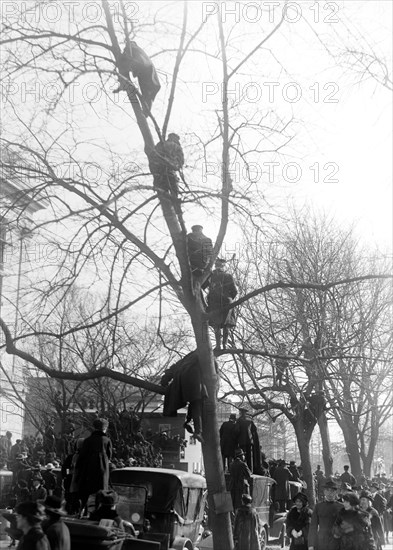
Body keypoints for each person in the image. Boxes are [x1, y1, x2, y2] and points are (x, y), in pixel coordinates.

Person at [74, 418, 112, 515]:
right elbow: (109, 456)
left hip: (88, 472)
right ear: (105, 428)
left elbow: (81, 457)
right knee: (101, 493)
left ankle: (82, 511)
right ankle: (97, 513)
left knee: (86, 493)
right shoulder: (107, 440)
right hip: (102, 473)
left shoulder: (87, 440)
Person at [204, 258, 237, 350]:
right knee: (226, 324)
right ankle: (225, 345)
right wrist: (228, 297)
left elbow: (201, 286)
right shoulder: (228, 276)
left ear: (215, 265)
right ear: (223, 266)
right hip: (227, 302)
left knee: (216, 324)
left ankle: (218, 345)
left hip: (214, 302)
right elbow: (234, 291)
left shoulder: (210, 276)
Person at [308, 477, 344, 550]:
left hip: (336, 542)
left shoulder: (341, 507)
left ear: (336, 492)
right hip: (321, 542)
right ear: (324, 491)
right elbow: (313, 527)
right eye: (327, 490)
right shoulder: (318, 506)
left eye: (332, 491)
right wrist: (311, 545)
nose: (329, 493)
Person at [234, 408, 262, 474]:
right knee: (250, 456)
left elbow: (236, 431)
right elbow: (254, 429)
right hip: (250, 441)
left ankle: (243, 471)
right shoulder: (250, 420)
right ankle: (250, 470)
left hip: (242, 441)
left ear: (240, 413)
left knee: (242, 456)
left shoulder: (239, 421)